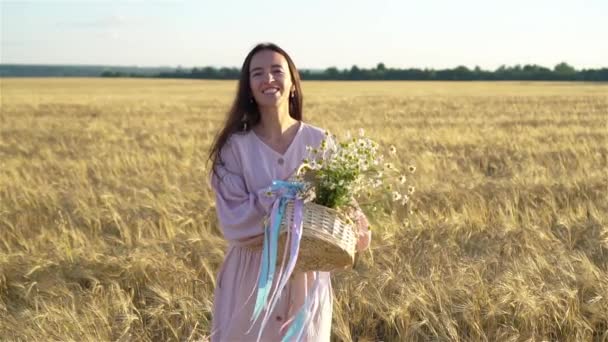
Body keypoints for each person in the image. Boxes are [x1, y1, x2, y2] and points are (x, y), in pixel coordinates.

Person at [207, 42, 371, 341]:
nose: (268, 79)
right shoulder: (234, 148)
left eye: (276, 70)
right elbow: (233, 221)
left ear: (293, 83)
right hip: (250, 280)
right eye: (257, 73)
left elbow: (350, 218)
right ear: (249, 88)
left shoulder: (320, 141)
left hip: (305, 281)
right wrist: (291, 200)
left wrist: (349, 223)